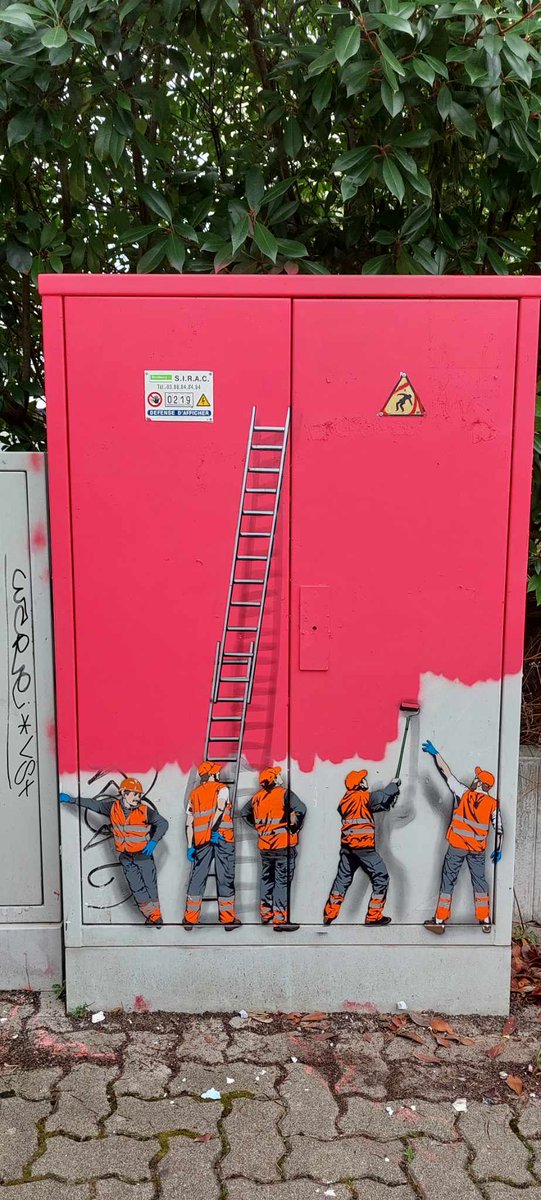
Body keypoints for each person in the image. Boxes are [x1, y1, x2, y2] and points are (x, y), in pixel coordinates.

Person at [59, 777, 168, 926]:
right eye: (134, 794)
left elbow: (162, 823)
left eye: (139, 795)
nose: (138, 798)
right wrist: (72, 800)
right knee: (136, 888)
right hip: (126, 857)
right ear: (123, 793)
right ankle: (152, 915)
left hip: (143, 856)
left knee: (150, 886)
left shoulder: (144, 811)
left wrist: (154, 841)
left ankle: (156, 916)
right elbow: (93, 805)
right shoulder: (112, 808)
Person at [422, 740, 502, 934]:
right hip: (477, 850)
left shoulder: (463, 793)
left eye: (477, 778)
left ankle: (440, 920)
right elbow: (499, 828)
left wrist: (436, 753)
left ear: (479, 783)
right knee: (480, 881)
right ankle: (484, 919)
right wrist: (498, 849)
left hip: (457, 846)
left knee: (449, 880)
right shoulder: (492, 803)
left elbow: (446, 772)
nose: (474, 779)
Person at [323, 769, 400, 927]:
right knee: (381, 877)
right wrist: (394, 785)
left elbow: (374, 806)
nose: (366, 781)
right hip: (363, 847)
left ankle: (329, 913)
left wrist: (387, 801)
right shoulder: (364, 797)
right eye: (363, 779)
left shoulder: (345, 801)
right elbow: (381, 797)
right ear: (360, 784)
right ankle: (374, 915)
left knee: (342, 880)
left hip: (347, 848)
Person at [241, 766, 306, 930]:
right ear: (275, 780)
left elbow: (244, 813)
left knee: (266, 879)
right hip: (283, 845)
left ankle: (265, 914)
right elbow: (301, 809)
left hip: (265, 846)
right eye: (277, 775)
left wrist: (258, 827)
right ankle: (280, 920)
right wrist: (293, 827)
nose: (280, 776)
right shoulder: (284, 794)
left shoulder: (257, 797)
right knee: (281, 882)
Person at [183, 761, 240, 930]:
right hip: (221, 837)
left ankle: (190, 919)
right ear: (213, 775)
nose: (219, 774)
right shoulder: (221, 789)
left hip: (201, 841)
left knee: (198, 876)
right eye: (216, 772)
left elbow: (189, 822)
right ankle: (228, 920)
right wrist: (214, 830)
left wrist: (189, 846)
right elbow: (220, 809)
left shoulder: (194, 794)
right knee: (225, 877)